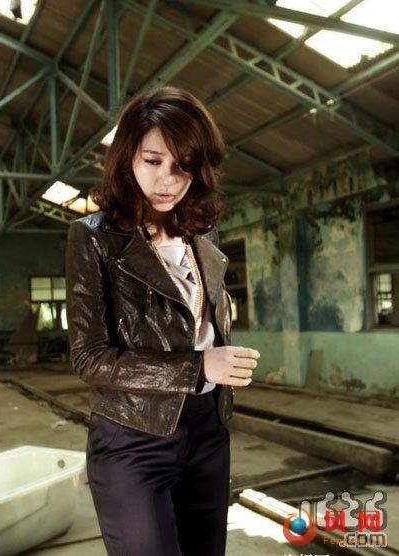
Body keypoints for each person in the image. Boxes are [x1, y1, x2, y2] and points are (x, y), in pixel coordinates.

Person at [65, 85, 260, 556]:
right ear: (127, 157)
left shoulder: (202, 234)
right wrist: (199, 368)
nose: (167, 180)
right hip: (132, 436)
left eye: (183, 166)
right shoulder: (94, 238)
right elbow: (89, 358)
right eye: (153, 161)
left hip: (208, 430)